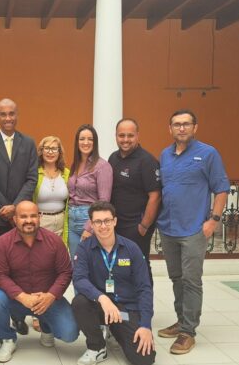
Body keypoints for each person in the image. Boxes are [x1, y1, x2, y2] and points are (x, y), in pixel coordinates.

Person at [156, 109, 229, 355]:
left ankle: (188, 332)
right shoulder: (165, 155)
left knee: (191, 280)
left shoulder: (208, 154)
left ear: (195, 127)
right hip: (169, 228)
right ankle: (181, 321)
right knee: (176, 277)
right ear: (170, 129)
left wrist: (213, 221)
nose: (182, 128)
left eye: (186, 124)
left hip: (194, 229)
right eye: (177, 124)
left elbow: (221, 189)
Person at [0, 201, 79, 363]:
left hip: (47, 300)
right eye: (23, 217)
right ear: (15, 219)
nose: (28, 220)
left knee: (70, 334)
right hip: (15, 299)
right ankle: (7, 339)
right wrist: (22, 297)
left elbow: (65, 272)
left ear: (39, 217)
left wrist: (50, 296)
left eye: (33, 216)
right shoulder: (2, 242)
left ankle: (46, 328)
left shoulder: (54, 241)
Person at [0, 98, 38, 336]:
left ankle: (19, 316)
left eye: (11, 113)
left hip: (21, 219)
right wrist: (4, 207)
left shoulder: (29, 143)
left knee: (20, 267)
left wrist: (15, 208)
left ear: (17, 114)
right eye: (3, 114)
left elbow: (31, 178)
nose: (8, 118)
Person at [71, 201, 155, 365]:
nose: (103, 226)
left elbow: (144, 288)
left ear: (115, 221)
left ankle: (115, 329)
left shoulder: (131, 248)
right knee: (80, 302)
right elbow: (79, 279)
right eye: (98, 222)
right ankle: (97, 347)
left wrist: (146, 325)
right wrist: (102, 298)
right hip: (100, 307)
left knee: (144, 360)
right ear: (91, 224)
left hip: (124, 311)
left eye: (107, 221)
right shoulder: (84, 248)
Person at [108, 118, 161, 277]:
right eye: (121, 135)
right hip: (116, 225)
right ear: (115, 136)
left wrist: (144, 226)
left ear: (137, 135)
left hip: (136, 226)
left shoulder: (147, 161)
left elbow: (155, 196)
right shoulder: (113, 158)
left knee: (139, 265)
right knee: (120, 265)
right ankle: (124, 294)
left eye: (130, 135)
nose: (125, 139)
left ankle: (144, 294)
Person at [67, 124, 113, 259]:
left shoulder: (102, 166)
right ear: (77, 142)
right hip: (71, 220)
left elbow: (104, 201)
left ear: (95, 142)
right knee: (76, 262)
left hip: (89, 218)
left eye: (90, 139)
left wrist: (90, 227)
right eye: (82, 139)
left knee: (92, 262)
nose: (86, 142)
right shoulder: (75, 164)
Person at [33, 135, 70, 244]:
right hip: (41, 221)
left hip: (61, 221)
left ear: (59, 152)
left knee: (60, 251)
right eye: (47, 148)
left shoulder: (66, 173)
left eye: (54, 149)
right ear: (41, 151)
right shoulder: (34, 173)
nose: (50, 152)